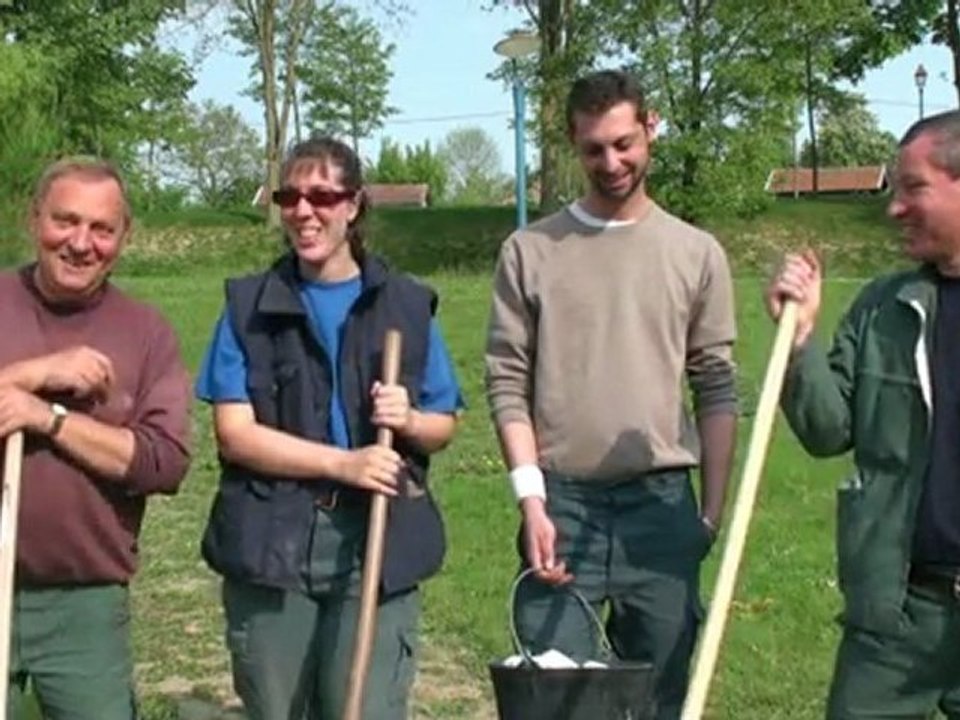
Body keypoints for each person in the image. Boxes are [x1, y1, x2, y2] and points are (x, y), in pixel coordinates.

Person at [484, 69, 738, 718]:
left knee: (661, 701)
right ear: (574, 142)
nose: (612, 162)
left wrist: (708, 513)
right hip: (561, 507)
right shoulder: (530, 250)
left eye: (624, 143)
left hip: (660, 509)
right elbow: (507, 382)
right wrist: (531, 503)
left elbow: (715, 385)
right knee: (553, 699)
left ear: (650, 130)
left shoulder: (696, 252)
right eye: (594, 148)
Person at [196, 136, 463, 720]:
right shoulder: (248, 307)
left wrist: (409, 419)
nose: (303, 210)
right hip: (272, 536)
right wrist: (342, 463)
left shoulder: (407, 305)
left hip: (376, 539)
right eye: (289, 196)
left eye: (321, 195)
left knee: (364, 707)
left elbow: (444, 423)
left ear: (354, 205)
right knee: (277, 710)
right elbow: (235, 433)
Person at [767, 110, 960, 719]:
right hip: (898, 614)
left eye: (913, 188)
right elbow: (828, 432)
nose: (894, 208)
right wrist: (798, 343)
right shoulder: (884, 308)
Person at [0, 157, 191, 719]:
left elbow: (165, 463)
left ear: (122, 238)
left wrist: (48, 418)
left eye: (101, 229)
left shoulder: (146, 331)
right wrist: (34, 373)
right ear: (35, 220)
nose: (81, 243)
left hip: (83, 602)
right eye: (66, 221)